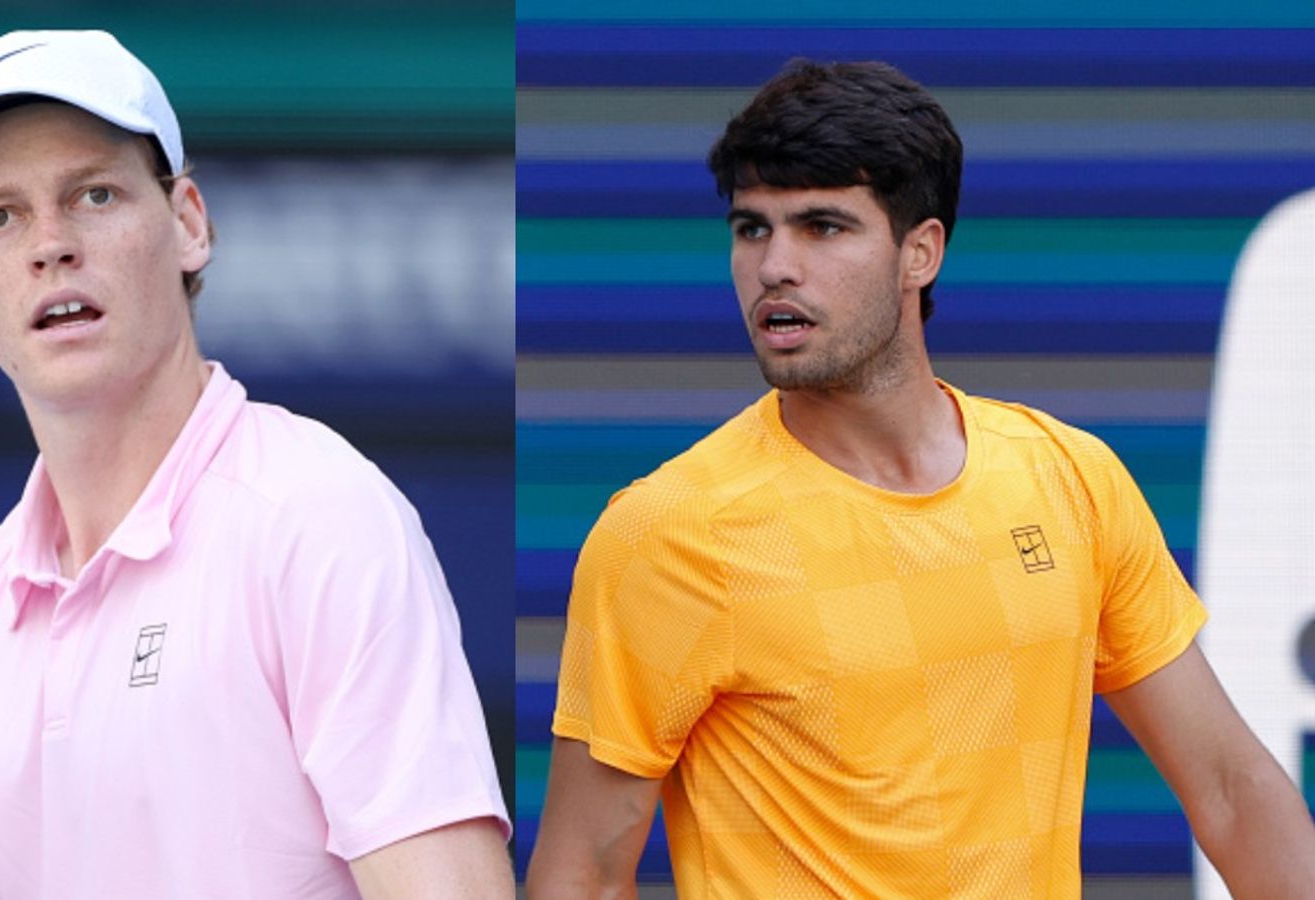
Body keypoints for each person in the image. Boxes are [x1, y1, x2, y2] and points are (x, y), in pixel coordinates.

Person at [0, 30, 512, 900]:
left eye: (94, 195)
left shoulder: (320, 521)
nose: (52, 245)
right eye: (0, 215)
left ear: (188, 223)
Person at [525, 59, 1315, 898]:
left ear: (920, 253)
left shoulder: (1068, 479)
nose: (774, 266)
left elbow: (1232, 790)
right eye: (752, 227)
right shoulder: (668, 534)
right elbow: (586, 870)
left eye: (822, 226)